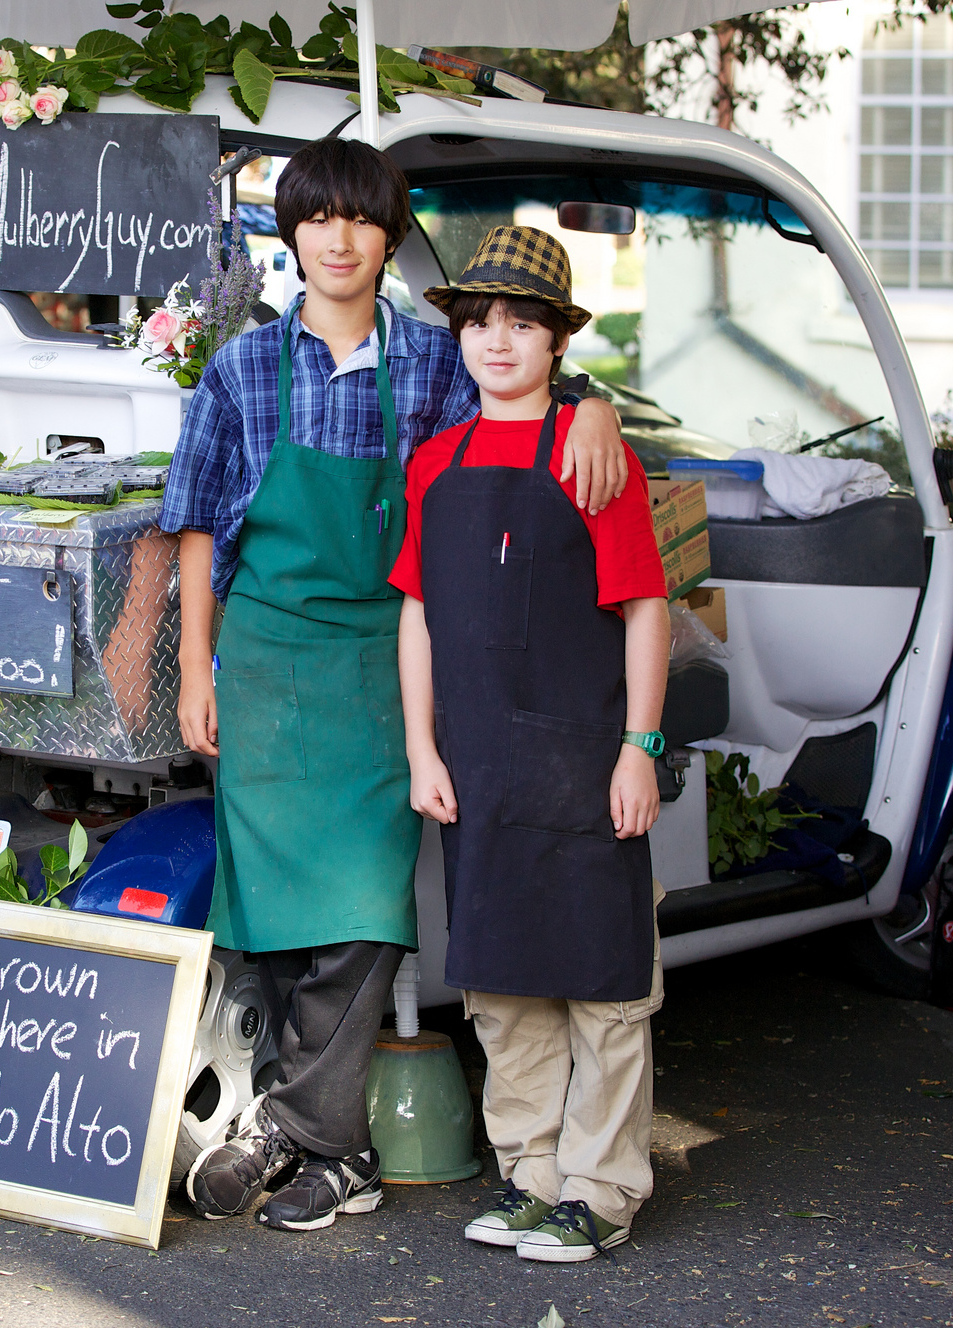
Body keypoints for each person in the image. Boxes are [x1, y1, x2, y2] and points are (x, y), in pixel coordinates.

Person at [161, 140, 628, 1234]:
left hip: (388, 657)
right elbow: (195, 526)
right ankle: (340, 1150)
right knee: (273, 920)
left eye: (362, 220)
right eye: (318, 218)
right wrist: (193, 670)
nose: (340, 239)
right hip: (267, 658)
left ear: (389, 238)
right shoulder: (240, 367)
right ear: (290, 235)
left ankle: (293, 1128)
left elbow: (524, 394)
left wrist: (593, 404)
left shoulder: (431, 358)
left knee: (366, 909)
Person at [392, 225, 671, 1262]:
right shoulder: (436, 462)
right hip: (478, 764)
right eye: (479, 322)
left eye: (521, 323)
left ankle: (601, 1188)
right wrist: (422, 748)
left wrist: (639, 745)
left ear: (558, 341)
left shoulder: (594, 452)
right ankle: (531, 1175)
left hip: (588, 761)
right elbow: (417, 613)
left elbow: (645, 608)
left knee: (604, 988)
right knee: (503, 990)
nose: (497, 340)